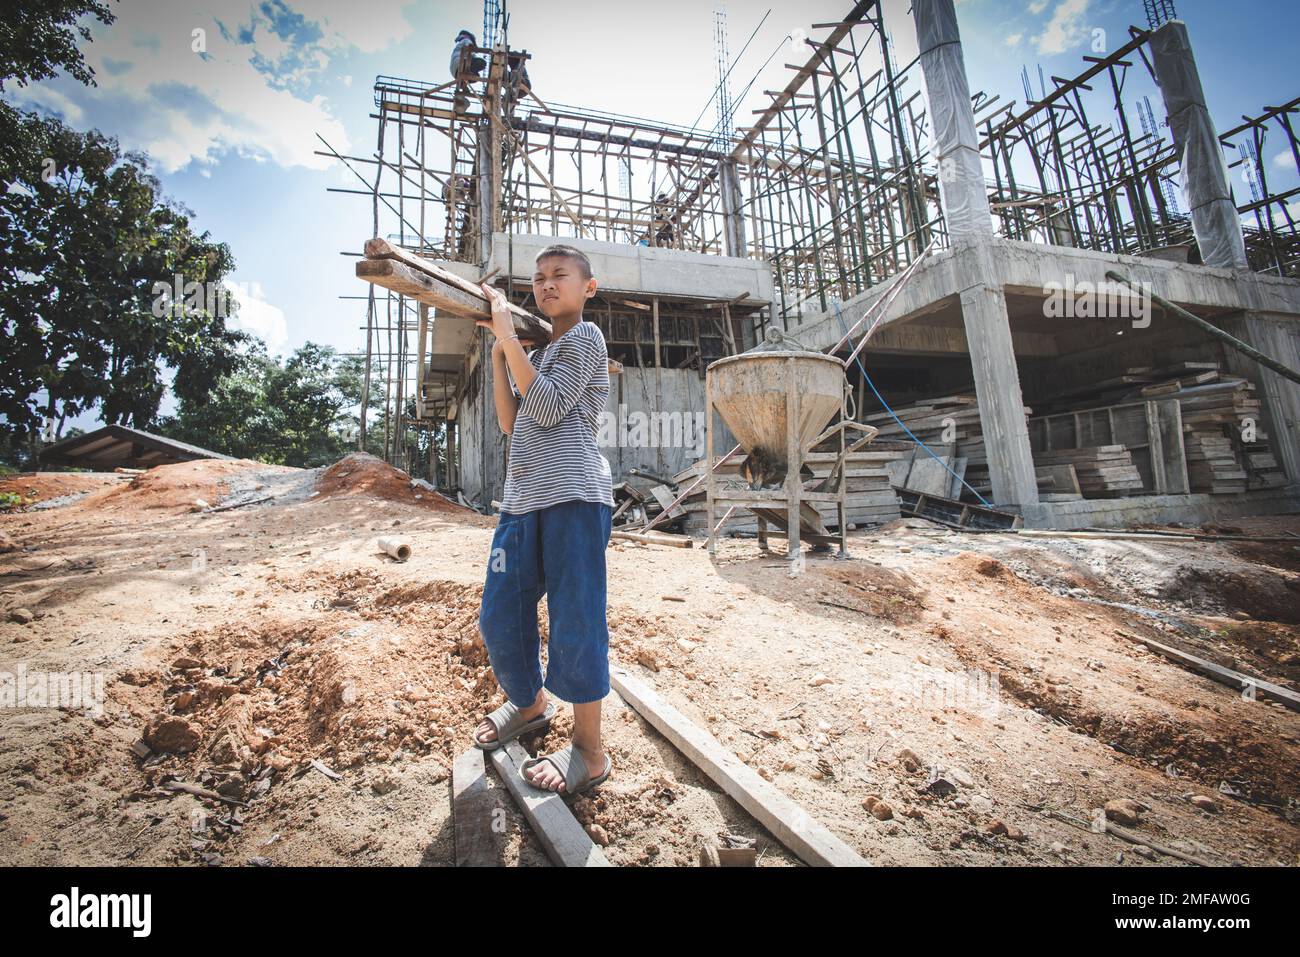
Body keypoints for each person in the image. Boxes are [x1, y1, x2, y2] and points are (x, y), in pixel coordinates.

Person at [473, 244, 616, 797]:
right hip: (521, 501)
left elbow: (552, 408)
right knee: (500, 611)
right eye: (538, 278)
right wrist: (498, 352)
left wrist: (510, 339)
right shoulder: (539, 353)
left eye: (560, 275)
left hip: (574, 499)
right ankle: (531, 704)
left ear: (588, 287)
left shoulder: (585, 339)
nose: (546, 284)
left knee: (575, 618)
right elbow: (512, 420)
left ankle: (589, 751)